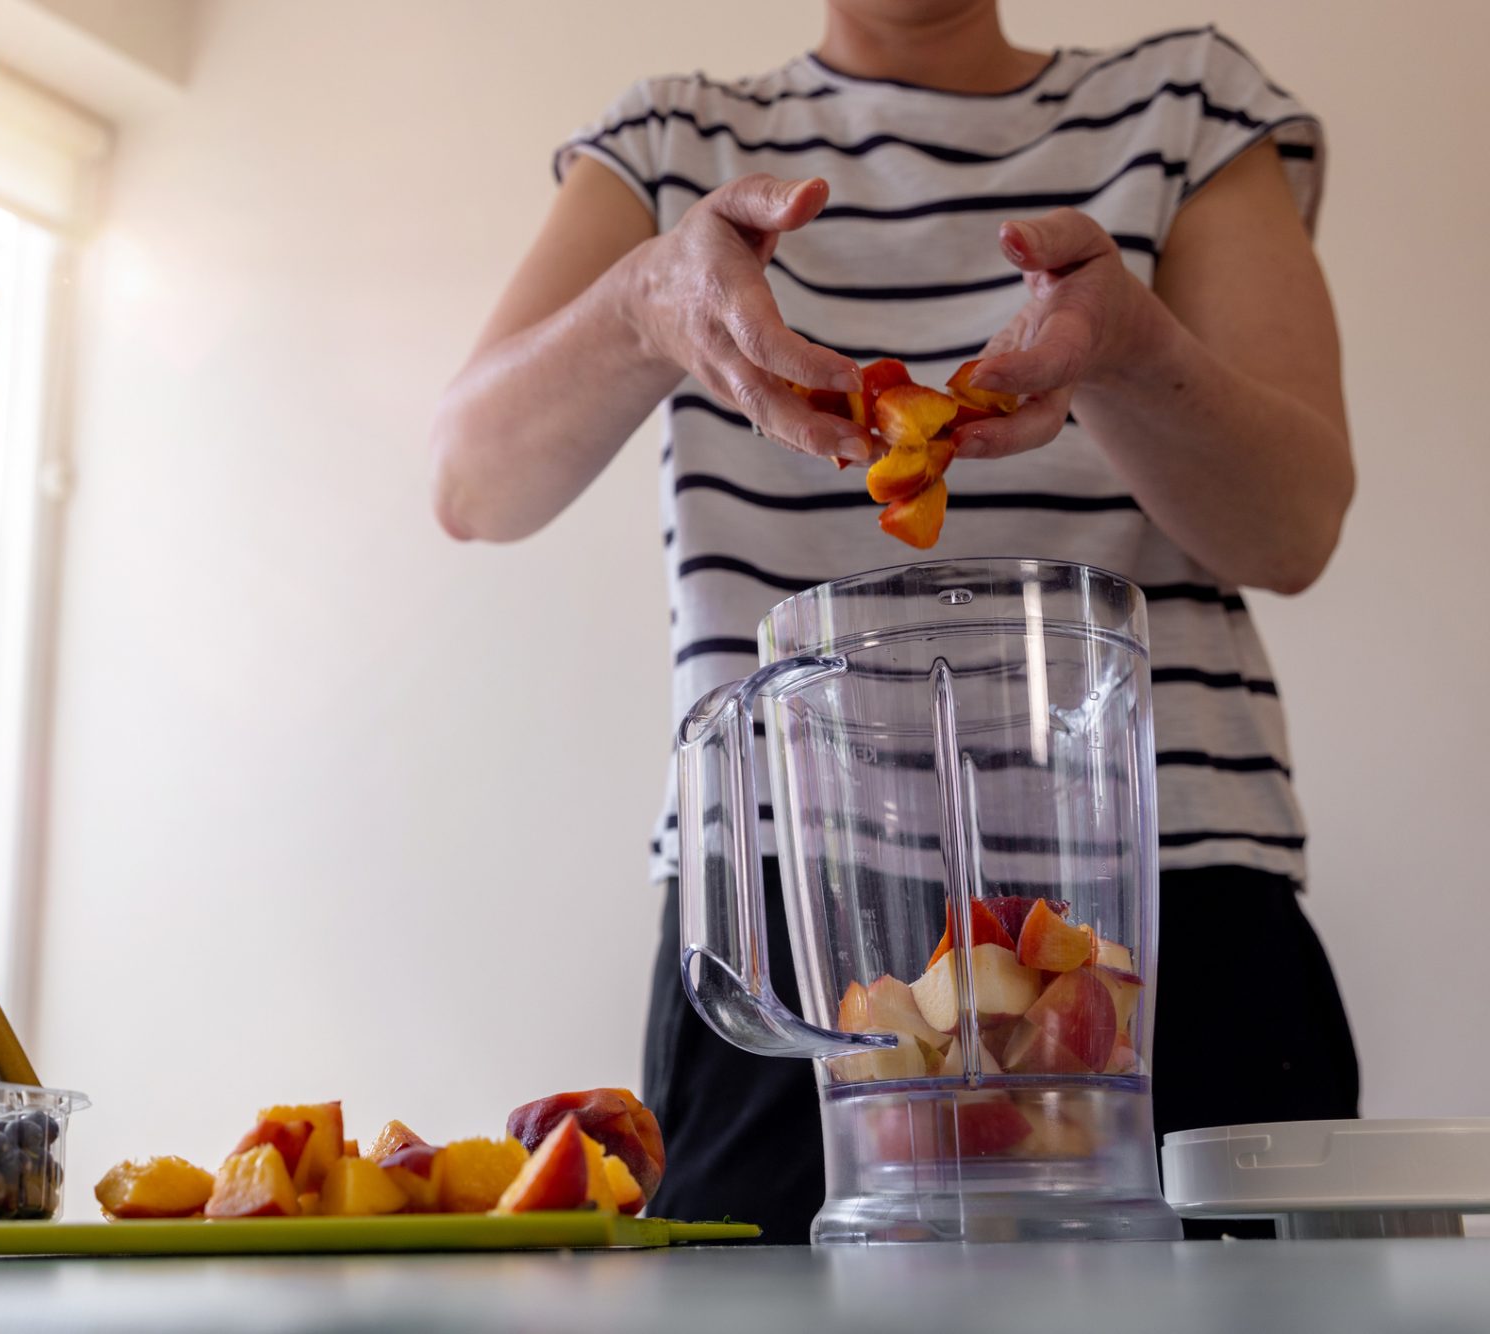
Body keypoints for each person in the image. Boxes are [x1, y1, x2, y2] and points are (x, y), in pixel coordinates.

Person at [430, 1, 1361, 1243]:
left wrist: (1125, 346)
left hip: (1164, 900)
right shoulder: (669, 140)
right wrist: (643, 303)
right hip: (785, 929)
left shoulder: (1189, 103)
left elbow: (1291, 525)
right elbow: (471, 483)